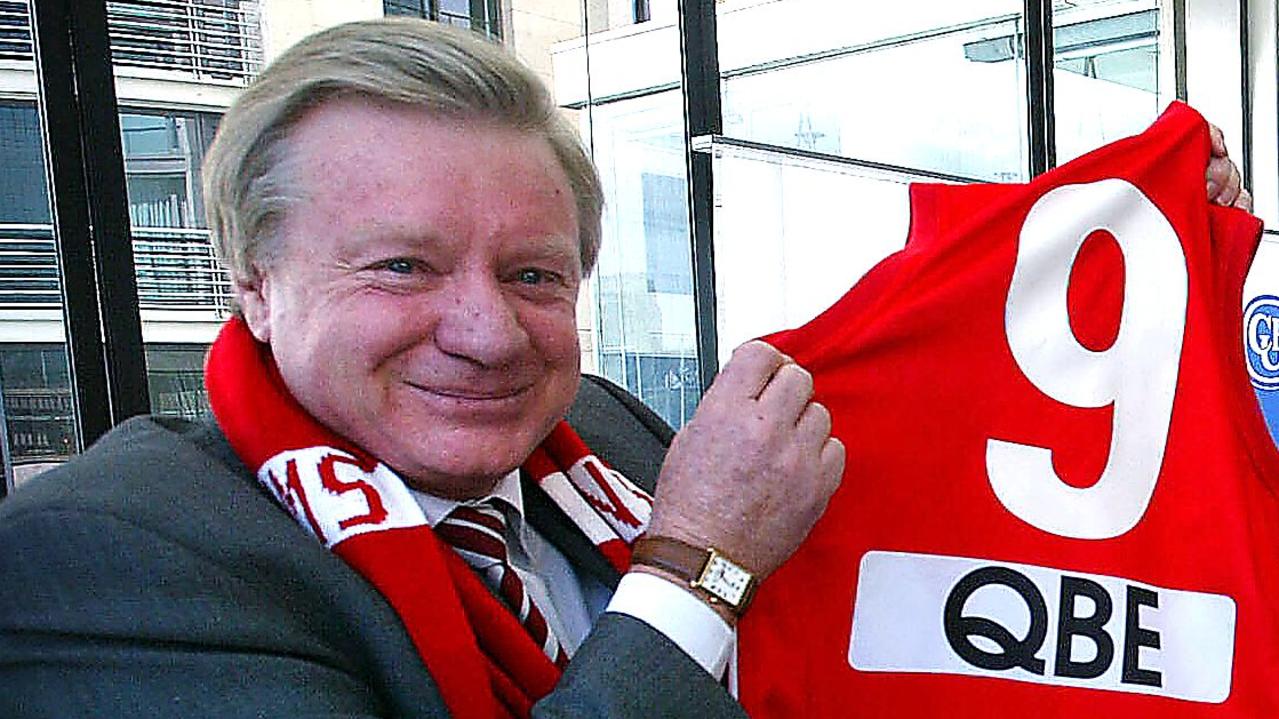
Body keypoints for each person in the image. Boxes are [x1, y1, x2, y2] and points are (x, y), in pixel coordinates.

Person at [0, 17, 1250, 719]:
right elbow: (718, 566)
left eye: (535, 276)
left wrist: (1137, 265)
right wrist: (692, 569)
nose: (488, 333)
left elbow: (904, 480)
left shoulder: (598, 428)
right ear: (252, 282)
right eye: (402, 268)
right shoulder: (92, 558)